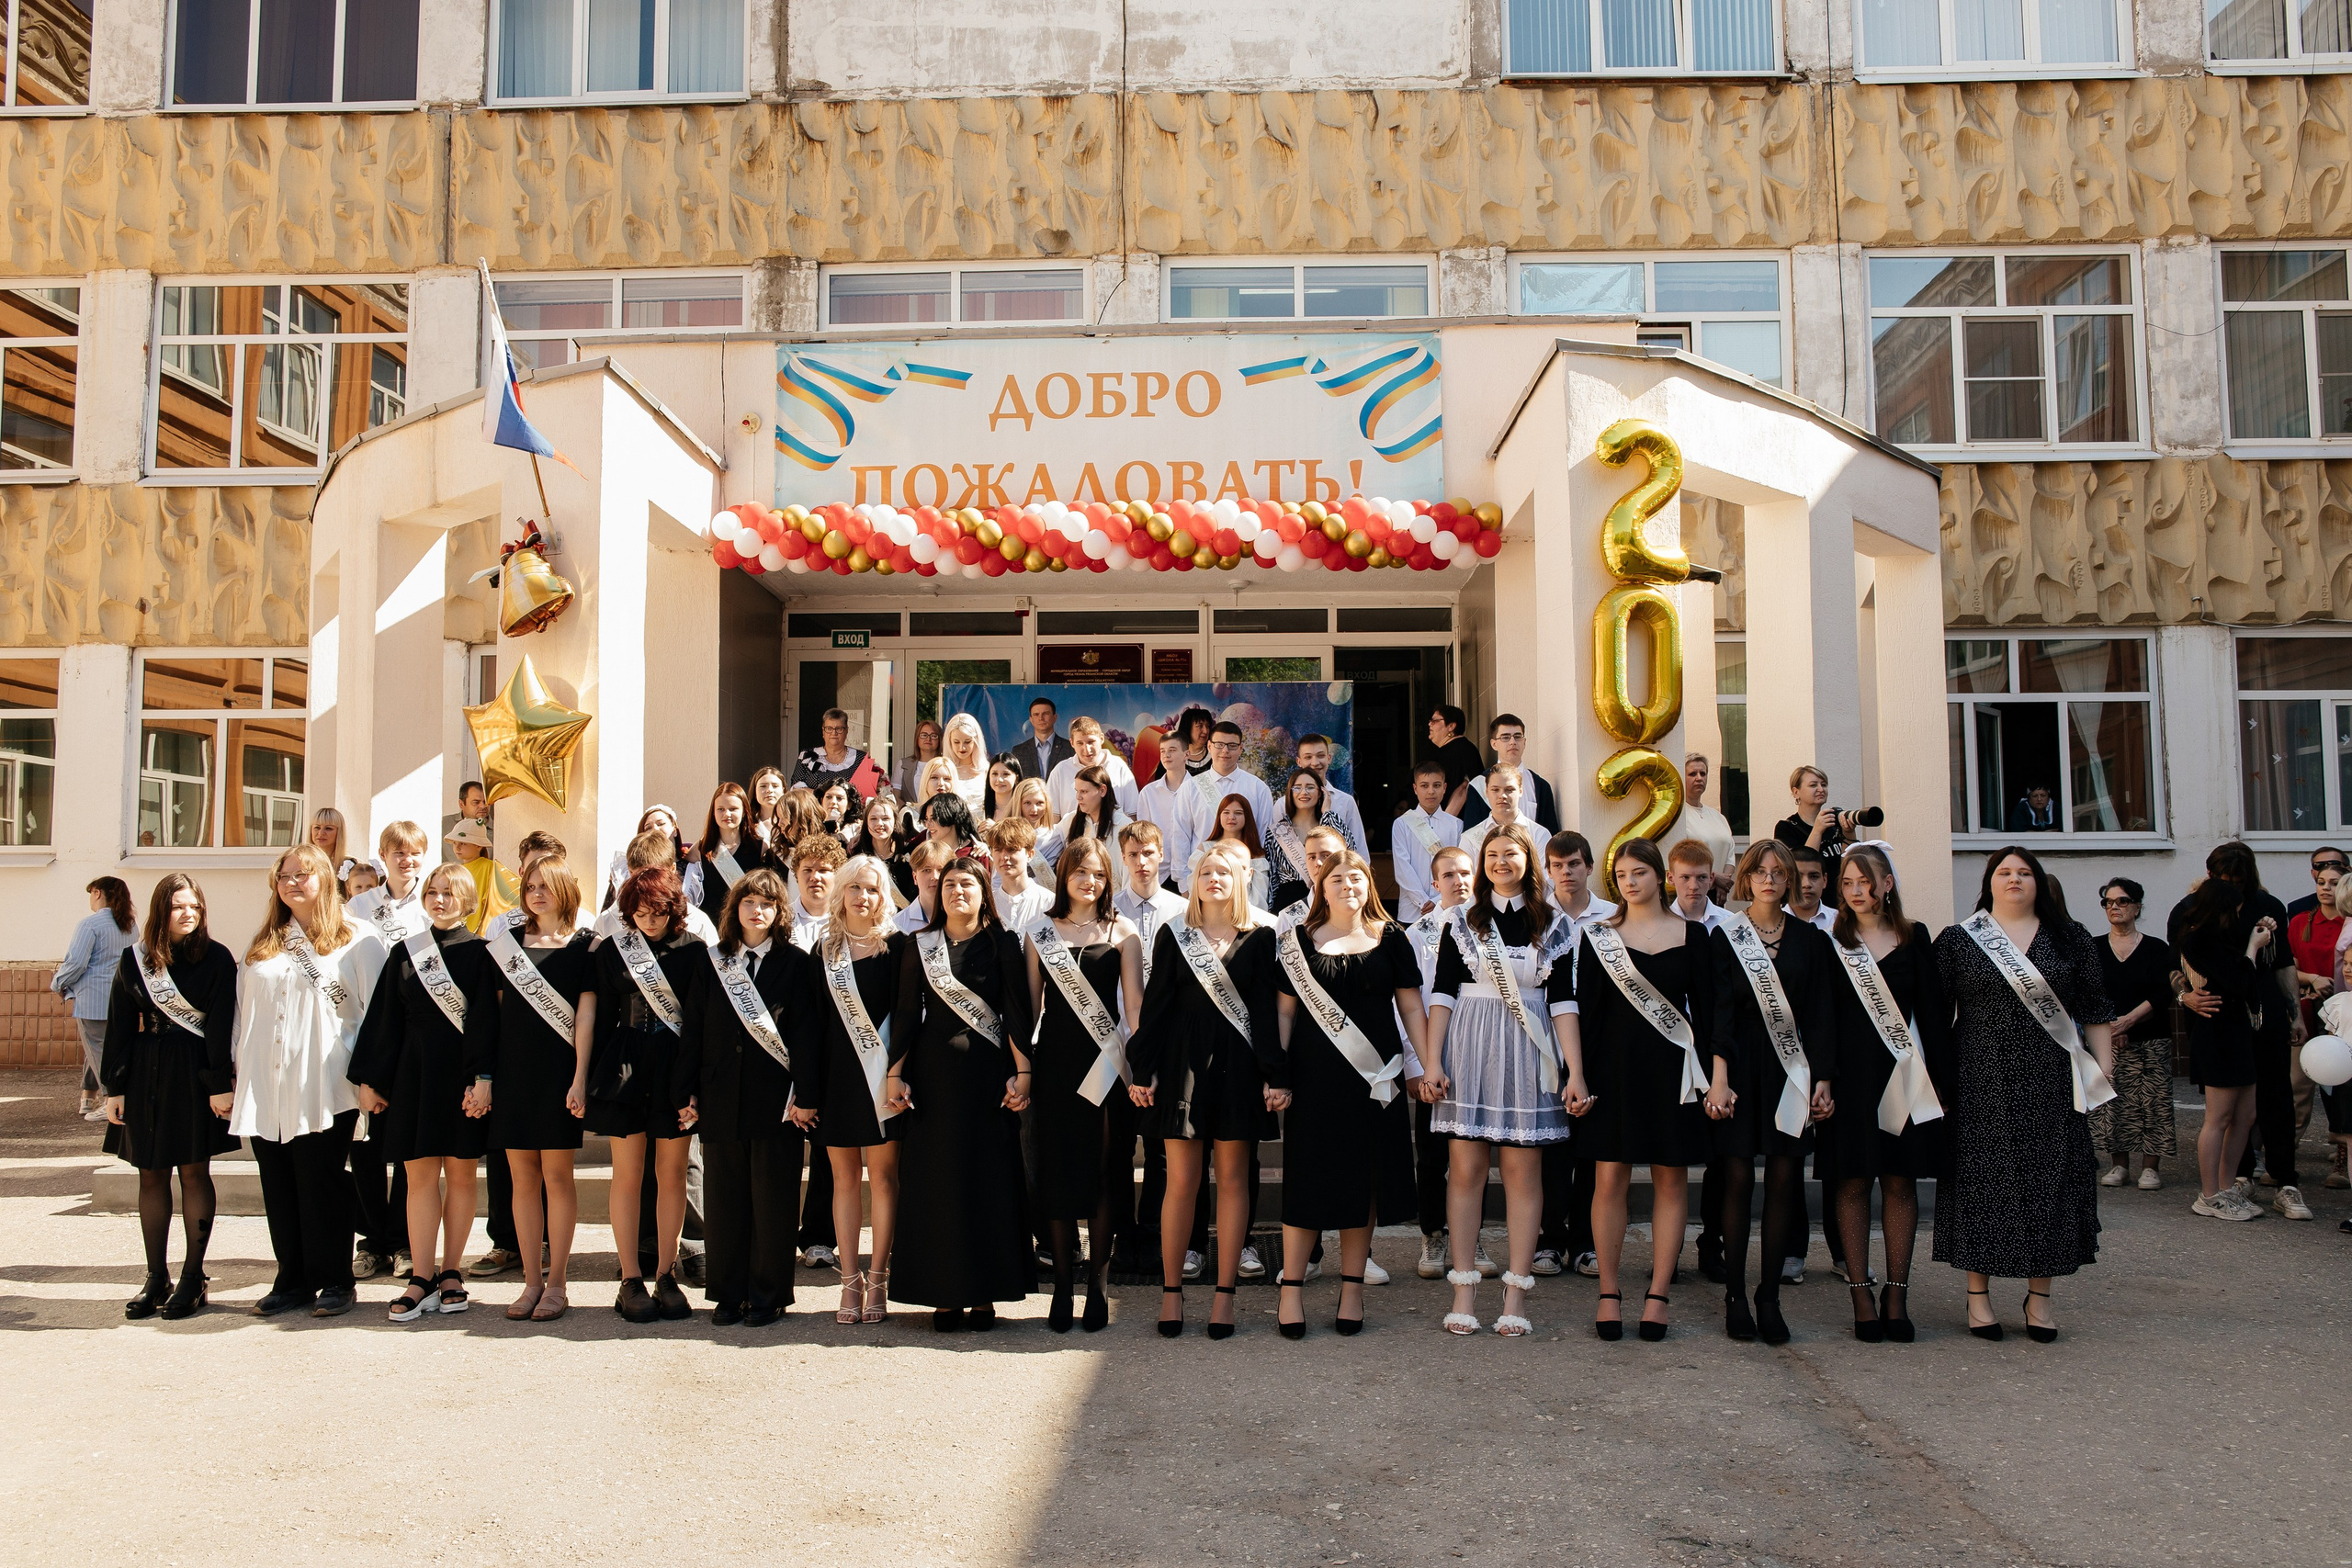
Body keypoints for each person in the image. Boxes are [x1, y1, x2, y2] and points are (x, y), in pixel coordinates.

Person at [1933, 847, 2116, 1342]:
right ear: (1989, 881)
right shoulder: (1959, 940)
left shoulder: (2070, 938)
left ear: (2039, 882)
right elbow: (1933, 1017)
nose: (2015, 879)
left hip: (2053, 1078)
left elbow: (2096, 1010)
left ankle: (2039, 1299)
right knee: (1983, 1182)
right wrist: (1939, 1084)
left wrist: (2102, 1074)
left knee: (2049, 1182)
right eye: (2005, 872)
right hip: (1980, 1078)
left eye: (2025, 872)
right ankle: (1978, 1297)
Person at [1559, 838, 1728, 1342]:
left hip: (1673, 1074)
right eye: (1623, 875)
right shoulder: (1599, 939)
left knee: (1670, 1182)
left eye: (1640, 872)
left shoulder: (1695, 937)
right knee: (1608, 1180)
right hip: (1613, 1073)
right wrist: (1577, 1074)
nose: (1631, 882)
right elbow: (1583, 1014)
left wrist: (1718, 1076)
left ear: (1661, 876)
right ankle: (1609, 1292)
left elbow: (1716, 1013)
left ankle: (1657, 1294)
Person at [1266, 848, 1430, 1337]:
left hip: (1376, 1082)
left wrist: (1430, 1065)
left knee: (1366, 1184)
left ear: (1369, 885)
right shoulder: (1298, 942)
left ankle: (1352, 1288)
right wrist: (1277, 1077)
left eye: (1356, 878)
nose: (1347, 886)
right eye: (1337, 879)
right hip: (1315, 1082)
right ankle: (1291, 1289)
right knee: (1307, 1180)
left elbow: (1413, 1011)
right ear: (1322, 887)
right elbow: (1283, 1015)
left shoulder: (1392, 939)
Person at [1423, 822, 1577, 1337]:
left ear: (1528, 861)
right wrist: (1434, 1060)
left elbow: (1563, 1003)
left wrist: (1574, 1069)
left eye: (1511, 854)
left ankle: (1516, 1293)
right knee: (1464, 1170)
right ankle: (1463, 1288)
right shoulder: (1462, 923)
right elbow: (1443, 995)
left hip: (1530, 1052)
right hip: (1469, 1047)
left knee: (1522, 1173)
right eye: (1492, 854)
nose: (1501, 862)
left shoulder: (1553, 925)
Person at [1126, 840, 1279, 1338]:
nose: (1214, 879)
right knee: (1181, 1182)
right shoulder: (1175, 935)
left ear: (1240, 882)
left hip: (1238, 1069)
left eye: (1224, 872)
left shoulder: (1259, 939)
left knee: (1234, 1180)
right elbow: (1156, 1008)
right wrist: (1143, 1068)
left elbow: (1263, 1014)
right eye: (1206, 871)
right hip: (1182, 1068)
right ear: (1193, 882)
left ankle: (1225, 1295)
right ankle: (1172, 1294)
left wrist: (1274, 1074)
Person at [232, 842, 388, 1318]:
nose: (293, 883)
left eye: (303, 874)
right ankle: (292, 1279)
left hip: (326, 1084)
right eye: (284, 876)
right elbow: (243, 1017)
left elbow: (377, 1015)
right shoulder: (263, 944)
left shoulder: (357, 936)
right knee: (278, 1184)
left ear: (324, 879)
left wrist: (369, 1078)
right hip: (266, 1083)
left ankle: (336, 1280)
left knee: (322, 1182)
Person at [886, 846, 1037, 1331]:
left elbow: (1016, 1013)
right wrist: (895, 1073)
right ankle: (943, 1294)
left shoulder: (1003, 943)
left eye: (967, 884)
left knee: (987, 1182)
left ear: (983, 892)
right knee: (938, 1184)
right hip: (933, 1082)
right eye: (949, 884)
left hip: (988, 1079)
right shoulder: (919, 945)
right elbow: (907, 1015)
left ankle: (984, 1295)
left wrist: (1023, 1072)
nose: (956, 891)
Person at [347, 862, 501, 1323]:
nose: (439, 899)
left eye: (449, 893)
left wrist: (485, 1079)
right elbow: (384, 1021)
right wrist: (371, 1081)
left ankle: (452, 1271)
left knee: (459, 1175)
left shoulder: (484, 953)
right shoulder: (405, 952)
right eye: (433, 891)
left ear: (468, 900)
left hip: (462, 1078)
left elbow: (488, 1024)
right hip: (414, 1077)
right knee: (417, 1179)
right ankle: (422, 1275)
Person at [1708, 838, 1838, 1346]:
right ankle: (1736, 1294)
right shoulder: (1727, 937)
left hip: (1793, 1071)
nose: (1768, 879)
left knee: (1785, 1181)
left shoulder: (1812, 941)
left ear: (1790, 881)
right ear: (1746, 878)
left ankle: (1769, 1296)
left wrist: (1823, 1078)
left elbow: (1822, 1013)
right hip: (1740, 1069)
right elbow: (1718, 1014)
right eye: (1759, 871)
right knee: (1738, 1178)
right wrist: (1718, 1078)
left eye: (1778, 872)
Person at [1824, 842, 1950, 1344]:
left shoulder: (1915, 938)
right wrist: (1824, 1080)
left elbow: (1935, 1014)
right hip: (1851, 1080)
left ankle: (1897, 1293)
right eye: (1848, 884)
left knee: (1900, 1183)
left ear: (1887, 884)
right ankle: (1860, 1293)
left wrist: (1940, 1078)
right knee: (1852, 1184)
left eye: (1865, 882)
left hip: (1905, 1075)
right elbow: (1823, 1017)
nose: (1856, 892)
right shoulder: (1832, 940)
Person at [99, 874, 236, 1320]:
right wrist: (114, 1087)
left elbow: (219, 1025)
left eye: (194, 905)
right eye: (179, 905)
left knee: (194, 1173)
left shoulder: (217, 958)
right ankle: (156, 1278)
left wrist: (220, 1083)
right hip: (146, 1075)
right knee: (150, 1175)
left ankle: (194, 1278)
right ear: (162, 910)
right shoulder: (135, 959)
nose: (188, 913)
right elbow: (119, 1023)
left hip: (195, 1073)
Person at [675, 870, 808, 1326]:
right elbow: (693, 1028)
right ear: (734, 909)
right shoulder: (711, 960)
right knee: (725, 1199)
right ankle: (728, 1293)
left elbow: (806, 1036)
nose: (757, 910)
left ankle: (768, 1294)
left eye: (767, 904)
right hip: (720, 1095)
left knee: (773, 1201)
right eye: (749, 902)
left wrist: (806, 1094)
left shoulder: (795, 963)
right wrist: (687, 1091)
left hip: (776, 1100)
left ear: (779, 912)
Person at [1023, 836, 1146, 1331]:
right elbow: (1029, 1010)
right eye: (1080, 872)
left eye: (1097, 873)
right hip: (1054, 1066)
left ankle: (1098, 1283)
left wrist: (1143, 1067)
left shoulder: (1123, 930)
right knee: (1056, 1173)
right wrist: (1021, 1070)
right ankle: (1061, 1287)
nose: (1089, 881)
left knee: (1102, 1174)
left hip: (1105, 1069)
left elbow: (1134, 1011)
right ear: (1064, 876)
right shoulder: (1039, 931)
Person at [790, 855, 907, 1326]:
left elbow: (905, 1021)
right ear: (842, 892)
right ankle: (849, 1282)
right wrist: (807, 1091)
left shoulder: (900, 948)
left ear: (884, 896)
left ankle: (878, 1278)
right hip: (837, 1079)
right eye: (855, 888)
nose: (863, 897)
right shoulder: (824, 950)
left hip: (882, 1080)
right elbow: (810, 1028)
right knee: (841, 1180)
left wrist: (897, 1075)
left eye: (873, 889)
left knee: (882, 1179)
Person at [481, 851, 598, 1323]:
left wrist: (579, 1078)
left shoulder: (585, 947)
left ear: (564, 890)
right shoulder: (506, 943)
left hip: (559, 1076)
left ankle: (557, 1284)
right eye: (530, 885)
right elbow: (492, 1016)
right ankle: (530, 1282)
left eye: (545, 885)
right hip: (513, 1075)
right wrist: (485, 1078)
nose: (536, 893)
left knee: (557, 1177)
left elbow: (586, 1018)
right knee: (521, 1178)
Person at [587, 866, 704, 1323]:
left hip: (676, 1067)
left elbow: (698, 1023)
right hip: (628, 1066)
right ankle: (630, 1278)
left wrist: (692, 1086)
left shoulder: (695, 951)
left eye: (656, 912)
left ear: (673, 908)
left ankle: (666, 1273)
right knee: (628, 1175)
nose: (648, 922)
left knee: (673, 1174)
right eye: (638, 913)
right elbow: (595, 1018)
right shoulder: (615, 949)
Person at [2173, 842, 2306, 1219]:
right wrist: (2185, 996)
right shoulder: (2194, 926)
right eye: (2225, 883)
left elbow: (2281, 964)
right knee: (2221, 1114)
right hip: (2221, 1027)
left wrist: (2295, 1015)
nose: (2234, 894)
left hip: (2255, 1024)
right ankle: (2216, 1190)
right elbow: (2197, 972)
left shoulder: (2266, 905)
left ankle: (2263, 1182)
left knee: (2258, 1107)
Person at [346, 819, 434, 1283]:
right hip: (365, 1033)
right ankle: (371, 1241)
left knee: (406, 1144)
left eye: (414, 852)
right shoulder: (358, 906)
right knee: (366, 1144)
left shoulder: (433, 904)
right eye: (397, 853)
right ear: (383, 856)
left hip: (412, 1038)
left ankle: (403, 1240)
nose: (407, 860)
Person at [1536, 829, 1616, 1279]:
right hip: (1546, 1037)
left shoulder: (1611, 917)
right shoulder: (1537, 918)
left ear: (1588, 866)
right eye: (1557, 866)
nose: (1566, 873)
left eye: (1574, 864)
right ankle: (1549, 1239)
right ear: (1548, 872)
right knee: (1552, 1144)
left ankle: (1586, 1242)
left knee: (1590, 1144)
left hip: (1597, 1038)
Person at [2176, 870, 2270, 1223]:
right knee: (2219, 1117)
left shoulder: (2224, 938)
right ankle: (2209, 1194)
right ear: (2219, 909)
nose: (2239, 915)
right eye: (2234, 909)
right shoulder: (2198, 941)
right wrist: (2252, 948)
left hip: (2238, 1031)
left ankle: (2227, 1188)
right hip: (2217, 1034)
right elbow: (2236, 982)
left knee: (2245, 1116)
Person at [1407, 844, 1476, 1280]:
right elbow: (1407, 1005)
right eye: (1449, 874)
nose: (1459, 880)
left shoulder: (1490, 929)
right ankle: (1434, 1235)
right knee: (1432, 1156)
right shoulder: (1416, 934)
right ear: (1435, 882)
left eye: (1466, 872)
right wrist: (1418, 1065)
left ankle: (1472, 1236)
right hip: (1434, 1056)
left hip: (1478, 1052)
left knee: (1475, 1153)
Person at [2090, 877, 2177, 1193]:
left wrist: (2129, 1021)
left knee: (2153, 1102)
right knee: (2115, 1102)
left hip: (2150, 1035)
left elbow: (2161, 991)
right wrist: (2112, 1028)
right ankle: (2119, 1164)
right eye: (2108, 902)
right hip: (2107, 1037)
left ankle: (2151, 1168)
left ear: (2138, 906)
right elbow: (2091, 992)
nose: (2114, 907)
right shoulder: (2094, 947)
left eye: (2122, 901)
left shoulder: (2156, 948)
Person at [56, 875, 137, 1121]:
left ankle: (110, 1100)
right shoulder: (130, 926)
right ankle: (88, 1097)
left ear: (99, 893)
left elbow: (76, 963)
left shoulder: (89, 924)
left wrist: (58, 982)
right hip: (122, 996)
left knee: (99, 1050)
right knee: (104, 1047)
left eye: (91, 893)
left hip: (92, 999)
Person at [1181, 722, 1277, 886]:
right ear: (1209, 746)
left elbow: (1260, 838)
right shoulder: (1191, 787)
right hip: (1202, 878)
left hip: (1245, 880)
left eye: (1232, 745)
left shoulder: (1258, 788)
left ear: (1241, 748)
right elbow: (1180, 836)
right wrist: (1183, 882)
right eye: (1219, 745)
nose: (1225, 751)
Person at [592, 828, 719, 945]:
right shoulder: (607, 921)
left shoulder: (697, 921)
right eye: (640, 877)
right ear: (630, 872)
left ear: (672, 870)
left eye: (656, 878)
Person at [1459, 713, 1558, 832]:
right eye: (1505, 737)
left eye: (1517, 736)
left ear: (1524, 742)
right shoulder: (1479, 785)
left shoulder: (1541, 786)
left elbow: (1551, 835)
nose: (1512, 742)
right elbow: (1473, 833)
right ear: (1494, 744)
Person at [692, 782, 768, 931]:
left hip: (748, 929)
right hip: (712, 931)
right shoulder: (701, 848)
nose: (726, 814)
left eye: (733, 809)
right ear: (713, 812)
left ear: (744, 811)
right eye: (720, 809)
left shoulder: (761, 847)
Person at [1265, 767, 1343, 911]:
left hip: (1328, 900)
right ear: (1290, 793)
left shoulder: (1331, 823)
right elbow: (1271, 878)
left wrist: (1327, 812)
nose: (1304, 792)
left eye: (1310, 787)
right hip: (1289, 905)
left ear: (1321, 792)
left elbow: (1348, 855)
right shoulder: (1277, 831)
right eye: (1297, 787)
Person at [1774, 766, 1860, 886]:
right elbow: (1798, 868)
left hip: (1838, 898)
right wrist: (1817, 831)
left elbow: (1851, 865)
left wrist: (1849, 833)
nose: (1820, 789)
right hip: (1808, 898)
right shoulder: (1786, 828)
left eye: (1824, 785)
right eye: (1813, 785)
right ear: (1796, 792)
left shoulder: (1833, 823)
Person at [1133, 732, 1198, 885]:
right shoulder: (1149, 793)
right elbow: (1143, 835)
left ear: (1186, 754)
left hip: (1192, 872)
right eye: (1163, 751)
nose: (1166, 755)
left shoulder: (1200, 790)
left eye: (1172, 750)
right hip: (1158, 873)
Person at [1669, 753, 1737, 897]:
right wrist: (1715, 877)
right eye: (1692, 774)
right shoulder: (1677, 816)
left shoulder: (1717, 816)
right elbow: (1680, 856)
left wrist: (1723, 883)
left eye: (1703, 773)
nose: (1699, 778)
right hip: (1691, 892)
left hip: (1718, 893)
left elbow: (1730, 853)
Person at [1047, 716, 1141, 818]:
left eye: (1091, 742)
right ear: (1072, 743)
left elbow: (1132, 814)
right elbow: (1053, 817)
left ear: (1101, 739)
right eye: (1080, 743)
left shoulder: (1119, 766)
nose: (1087, 749)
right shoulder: (1061, 771)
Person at [1294, 734, 1366, 854]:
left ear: (1329, 758)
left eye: (1320, 756)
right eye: (1308, 757)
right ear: (1299, 761)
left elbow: (1359, 851)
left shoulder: (1346, 802)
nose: (1315, 763)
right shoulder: (1283, 803)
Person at [1041, 763, 1122, 865]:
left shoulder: (1122, 825)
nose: (1078, 797)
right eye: (1077, 791)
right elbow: (1044, 844)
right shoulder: (1071, 820)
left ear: (1102, 790)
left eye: (1084, 791)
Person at [792, 706, 882, 796]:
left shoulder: (861, 758)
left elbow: (868, 790)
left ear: (846, 731)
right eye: (829, 728)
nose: (834, 733)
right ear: (823, 731)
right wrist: (825, 796)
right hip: (814, 809)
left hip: (849, 809)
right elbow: (796, 786)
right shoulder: (807, 755)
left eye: (839, 729)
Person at [1458, 764, 1534, 867]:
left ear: (1520, 791)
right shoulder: (1469, 838)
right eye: (1495, 790)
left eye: (1509, 789)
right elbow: (1466, 877)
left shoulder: (1537, 834)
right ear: (1486, 791)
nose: (1502, 796)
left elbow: (1544, 879)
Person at [446, 818, 514, 932]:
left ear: (479, 846)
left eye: (463, 843)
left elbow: (499, 904)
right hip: (458, 931)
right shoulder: (455, 871)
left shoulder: (489, 867)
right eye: (454, 843)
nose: (457, 847)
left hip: (482, 933)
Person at [988, 817, 1053, 931]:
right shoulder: (988, 905)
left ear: (1030, 854)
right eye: (998, 850)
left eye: (1012, 849)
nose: (1004, 857)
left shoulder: (1049, 902)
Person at [1424, 705, 1485, 819]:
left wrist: (1446, 822)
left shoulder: (1461, 750)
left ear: (1451, 726)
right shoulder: (1453, 750)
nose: (1430, 724)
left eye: (1435, 720)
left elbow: (1464, 788)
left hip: (1456, 824)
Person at [894, 838, 954, 936]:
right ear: (915, 877)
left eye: (940, 870)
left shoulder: (963, 918)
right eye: (926, 870)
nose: (935, 877)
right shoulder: (898, 925)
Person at [1667, 840, 1729, 931]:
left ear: (1711, 879)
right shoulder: (1658, 925)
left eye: (1702, 877)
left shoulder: (1729, 923)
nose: (1694, 886)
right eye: (1686, 877)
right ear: (1671, 878)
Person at [865, 792, 915, 901]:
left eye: (885, 818)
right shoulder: (857, 854)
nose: (879, 824)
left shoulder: (910, 852)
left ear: (895, 822)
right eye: (873, 819)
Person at [1012, 777, 1060, 889]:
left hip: (1049, 900)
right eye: (1027, 803)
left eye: (1039, 803)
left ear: (1047, 804)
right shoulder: (1008, 836)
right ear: (1019, 803)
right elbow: (997, 879)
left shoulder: (1057, 834)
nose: (1034, 809)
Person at [1012, 695, 1074, 783]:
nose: (1041, 718)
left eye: (1046, 714)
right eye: (1036, 714)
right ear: (1031, 720)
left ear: (1055, 718)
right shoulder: (1018, 751)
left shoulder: (1070, 748)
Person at [941, 713, 993, 816]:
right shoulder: (943, 770)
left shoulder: (988, 770)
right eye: (956, 742)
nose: (962, 748)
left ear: (976, 740)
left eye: (967, 742)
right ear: (949, 742)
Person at [747, 767, 791, 861]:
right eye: (763, 786)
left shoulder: (793, 822)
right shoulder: (745, 823)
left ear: (784, 790)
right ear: (755, 791)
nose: (769, 790)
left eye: (775, 786)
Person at [894, 717, 944, 799]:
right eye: (924, 735)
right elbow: (896, 796)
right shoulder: (903, 764)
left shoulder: (946, 765)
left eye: (934, 736)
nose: (928, 739)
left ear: (940, 740)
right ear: (917, 738)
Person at [308, 806, 354, 890]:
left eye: (328, 828)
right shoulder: (302, 861)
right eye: (317, 827)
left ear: (339, 832)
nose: (321, 833)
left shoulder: (348, 865)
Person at [1176, 706, 1216, 777]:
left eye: (1208, 726)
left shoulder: (1215, 755)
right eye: (1200, 726)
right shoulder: (1173, 757)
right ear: (1188, 728)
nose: (1206, 731)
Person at [983, 752, 1022, 825]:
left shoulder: (1024, 808)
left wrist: (995, 828)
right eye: (995, 774)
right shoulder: (981, 810)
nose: (999, 779)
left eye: (1006, 774)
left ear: (1017, 778)